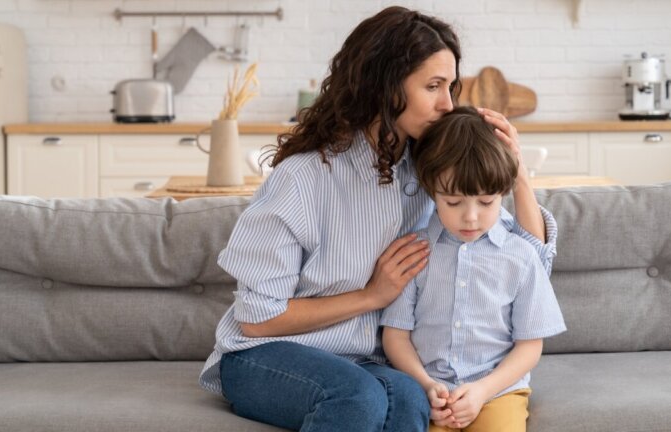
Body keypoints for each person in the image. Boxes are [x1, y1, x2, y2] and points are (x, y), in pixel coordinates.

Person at [198, 6, 558, 432]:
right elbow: (257, 318)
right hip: (268, 354)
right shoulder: (305, 177)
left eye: (450, 87)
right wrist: (372, 296)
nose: (447, 103)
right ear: (386, 88)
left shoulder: (430, 172)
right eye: (433, 86)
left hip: (366, 361)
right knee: (358, 396)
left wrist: (516, 174)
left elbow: (528, 260)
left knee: (409, 398)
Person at [381, 106, 567, 432]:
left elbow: (529, 346)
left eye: (485, 202)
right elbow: (396, 336)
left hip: (498, 391)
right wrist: (425, 385)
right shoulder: (414, 252)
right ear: (431, 190)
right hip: (431, 392)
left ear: (503, 193)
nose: (470, 217)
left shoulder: (521, 256)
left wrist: (483, 391)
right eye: (453, 202)